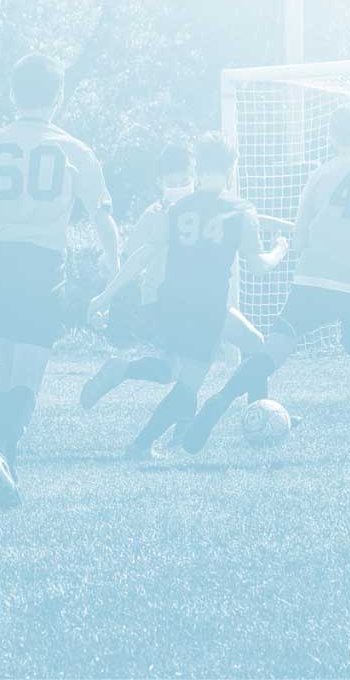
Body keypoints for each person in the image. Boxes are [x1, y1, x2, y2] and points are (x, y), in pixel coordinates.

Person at [183, 103, 350, 458]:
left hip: (313, 278)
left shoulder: (320, 175)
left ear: (331, 138)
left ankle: (220, 399)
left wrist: (296, 242)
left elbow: (300, 239)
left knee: (274, 350)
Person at [0, 54, 119, 509]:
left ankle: (5, 461)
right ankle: (0, 450)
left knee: (5, 363)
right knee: (31, 367)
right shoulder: (75, 150)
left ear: (11, 94)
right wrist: (113, 262)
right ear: (59, 96)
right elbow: (102, 216)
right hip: (43, 262)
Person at [88, 133, 289, 457]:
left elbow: (143, 255)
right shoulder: (240, 210)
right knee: (188, 384)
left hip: (173, 304)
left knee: (254, 343)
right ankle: (142, 443)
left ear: (197, 167)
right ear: (231, 168)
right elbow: (258, 267)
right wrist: (280, 250)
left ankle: (258, 414)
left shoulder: (178, 208)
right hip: (207, 307)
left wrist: (106, 295)